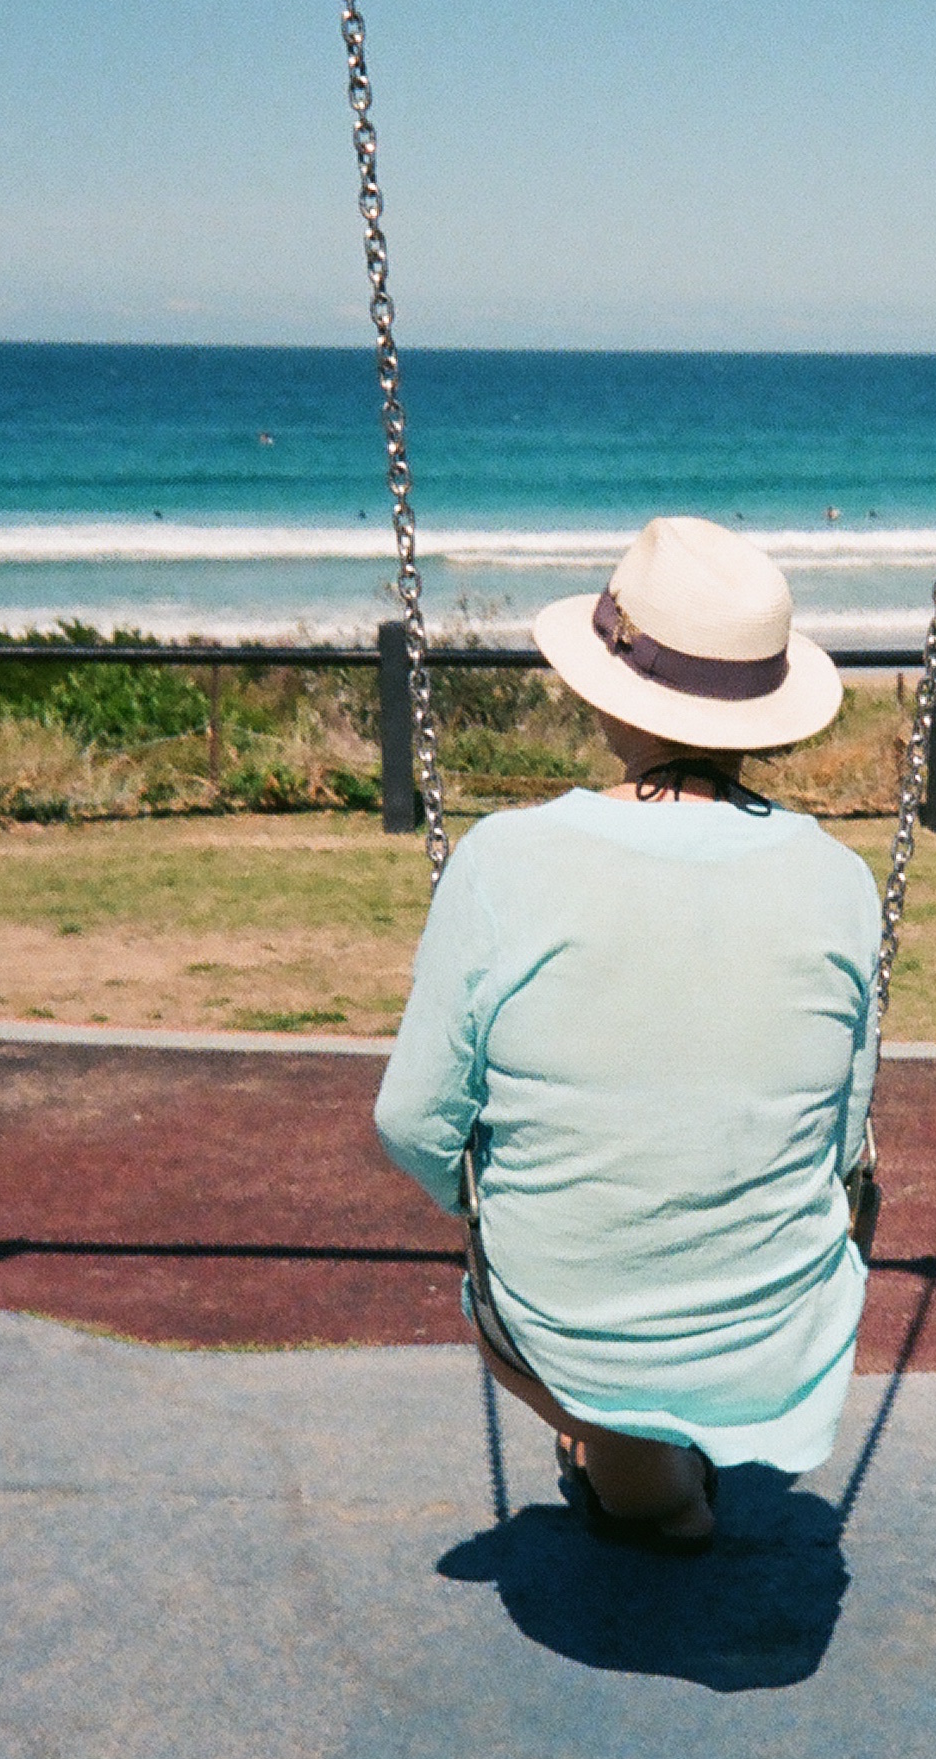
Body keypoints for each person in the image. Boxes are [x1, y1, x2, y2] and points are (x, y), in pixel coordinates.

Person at [374, 515, 881, 1552]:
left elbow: (411, 1122)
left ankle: (637, 1469)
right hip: (776, 1338)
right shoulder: (838, 879)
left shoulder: (504, 859)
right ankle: (661, 1454)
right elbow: (838, 1147)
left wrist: (495, 1196)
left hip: (567, 1328)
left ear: (606, 690)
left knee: (575, 1253)